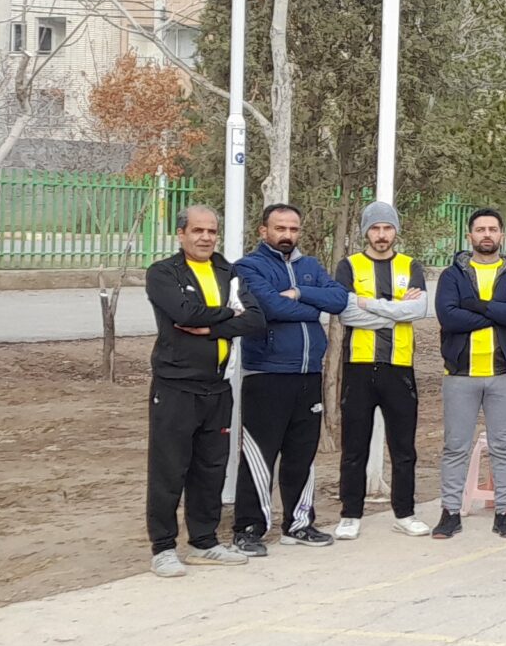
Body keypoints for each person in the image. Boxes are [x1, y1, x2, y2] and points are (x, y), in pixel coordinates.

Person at [142, 206, 265, 577]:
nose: (206, 237)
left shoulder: (229, 272)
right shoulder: (163, 273)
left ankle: (203, 542)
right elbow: (184, 314)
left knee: (211, 468)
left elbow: (255, 319)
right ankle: (163, 548)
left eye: (212, 231)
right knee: (169, 469)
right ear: (181, 234)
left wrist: (213, 327)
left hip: (218, 387)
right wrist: (228, 314)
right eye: (198, 230)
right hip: (176, 387)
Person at [231, 202, 351, 555]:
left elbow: (339, 299)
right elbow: (270, 307)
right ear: (263, 231)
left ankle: (298, 524)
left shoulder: (310, 266)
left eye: (293, 229)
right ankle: (249, 529)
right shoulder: (248, 266)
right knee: (259, 454)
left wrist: (300, 293)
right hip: (267, 373)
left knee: (302, 453)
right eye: (280, 228)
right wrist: (315, 308)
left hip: (308, 374)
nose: (287, 234)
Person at [432, 208, 506, 539]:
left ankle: (505, 513)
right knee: (456, 446)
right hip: (460, 375)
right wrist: (498, 315)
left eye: (493, 229)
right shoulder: (453, 275)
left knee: (502, 446)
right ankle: (450, 512)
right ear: (469, 236)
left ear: (502, 235)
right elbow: (449, 317)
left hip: (503, 374)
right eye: (480, 229)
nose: (487, 234)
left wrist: (478, 306)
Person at [330, 201, 433, 539]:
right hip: (359, 365)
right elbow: (346, 313)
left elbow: (418, 310)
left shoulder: (410, 265)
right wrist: (395, 311)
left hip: (399, 366)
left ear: (396, 231)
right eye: (375, 228)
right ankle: (350, 513)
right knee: (354, 445)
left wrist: (369, 304)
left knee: (403, 447)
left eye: (387, 228)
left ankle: (404, 512)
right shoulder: (349, 265)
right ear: (366, 232)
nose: (381, 234)